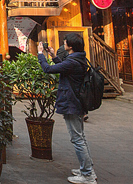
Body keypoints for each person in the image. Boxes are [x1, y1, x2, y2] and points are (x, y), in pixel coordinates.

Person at [37, 33, 96, 184]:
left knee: (77, 139)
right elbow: (64, 69)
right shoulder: (78, 59)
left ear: (70, 45)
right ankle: (87, 168)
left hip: (72, 103)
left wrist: (40, 55)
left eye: (65, 42)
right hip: (76, 101)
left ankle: (87, 175)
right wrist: (53, 55)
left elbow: (48, 69)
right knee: (80, 137)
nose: (63, 44)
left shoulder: (73, 62)